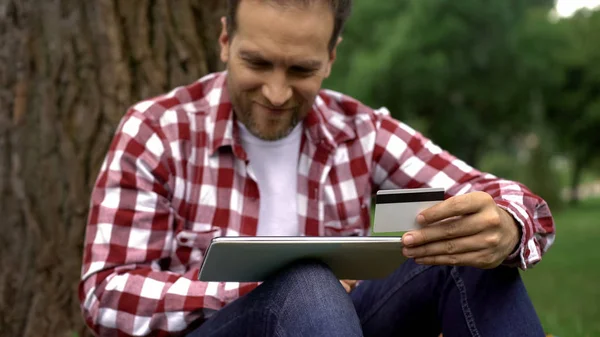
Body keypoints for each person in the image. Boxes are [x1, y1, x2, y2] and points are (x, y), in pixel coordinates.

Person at [79, 0, 556, 336]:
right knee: (308, 283)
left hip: (340, 326)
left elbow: (496, 194)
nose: (276, 93)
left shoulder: (358, 131)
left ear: (331, 58)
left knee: (468, 249)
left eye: (301, 70)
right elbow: (105, 294)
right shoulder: (158, 130)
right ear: (226, 40)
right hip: (222, 330)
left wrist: (509, 227)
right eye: (257, 63)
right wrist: (252, 287)